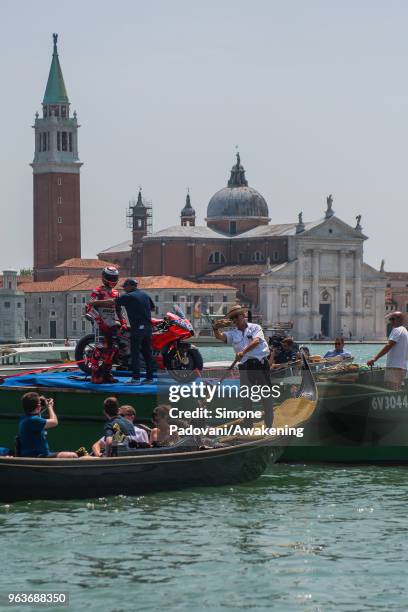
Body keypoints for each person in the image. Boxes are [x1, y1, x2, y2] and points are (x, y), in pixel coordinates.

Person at [213, 305, 273, 427]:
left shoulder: (255, 327)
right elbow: (220, 337)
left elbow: (256, 341)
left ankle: (269, 426)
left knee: (265, 397)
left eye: (237, 316)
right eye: (232, 318)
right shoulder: (232, 334)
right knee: (246, 399)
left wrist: (243, 352)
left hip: (260, 365)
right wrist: (215, 328)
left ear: (243, 315)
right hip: (245, 367)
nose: (235, 319)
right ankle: (248, 426)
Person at [86, 266, 127, 384]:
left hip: (112, 323)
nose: (112, 280)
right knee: (100, 347)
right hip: (100, 323)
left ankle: (106, 373)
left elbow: (119, 309)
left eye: (115, 277)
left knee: (114, 349)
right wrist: (99, 320)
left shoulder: (116, 293)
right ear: (104, 278)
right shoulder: (97, 291)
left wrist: (123, 322)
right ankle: (95, 374)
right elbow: (88, 306)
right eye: (110, 277)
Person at [18, 392, 78, 458]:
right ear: (38, 406)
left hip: (35, 454)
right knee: (73, 455)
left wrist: (39, 404)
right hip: (38, 456)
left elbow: (35, 413)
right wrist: (50, 406)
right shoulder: (33, 420)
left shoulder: (24, 418)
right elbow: (54, 422)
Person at [367, 312, 408, 390]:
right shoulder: (405, 331)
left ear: (400, 319)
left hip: (394, 367)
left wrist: (375, 358)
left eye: (392, 319)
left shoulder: (397, 330)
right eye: (390, 319)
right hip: (402, 367)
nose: (391, 322)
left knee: (391, 390)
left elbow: (389, 345)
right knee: (396, 391)